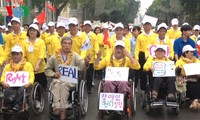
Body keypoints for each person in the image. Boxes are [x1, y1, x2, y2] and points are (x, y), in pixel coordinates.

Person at [45, 37, 90, 120]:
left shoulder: (75, 55)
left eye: (69, 44)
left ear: (71, 45)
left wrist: (86, 61)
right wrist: (54, 74)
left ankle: (63, 109)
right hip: (58, 78)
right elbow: (47, 69)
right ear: (61, 44)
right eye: (65, 43)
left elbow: (82, 65)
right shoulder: (55, 56)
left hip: (70, 80)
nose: (67, 45)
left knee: (64, 85)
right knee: (56, 84)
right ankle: (56, 107)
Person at [0, 45, 34, 111]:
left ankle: (17, 105)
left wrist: (29, 83)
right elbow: (3, 76)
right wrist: (3, 82)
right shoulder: (8, 66)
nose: (15, 56)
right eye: (14, 54)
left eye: (17, 54)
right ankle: (8, 105)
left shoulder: (27, 65)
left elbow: (31, 76)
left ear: (21, 55)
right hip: (11, 85)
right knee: (7, 90)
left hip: (23, 85)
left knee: (21, 90)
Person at [22, 24, 47, 89]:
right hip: (28, 68)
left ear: (37, 32)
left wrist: (37, 65)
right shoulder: (24, 42)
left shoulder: (41, 42)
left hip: (39, 69)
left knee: (41, 87)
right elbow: (23, 55)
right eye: (30, 30)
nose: (32, 32)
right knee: (29, 87)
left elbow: (42, 54)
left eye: (34, 30)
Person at [134, 20, 157, 92]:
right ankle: (143, 89)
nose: (147, 27)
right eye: (145, 25)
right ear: (143, 26)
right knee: (142, 72)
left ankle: (152, 87)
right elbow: (137, 48)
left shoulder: (155, 35)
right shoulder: (140, 36)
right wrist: (136, 58)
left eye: (148, 25)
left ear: (151, 26)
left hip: (152, 55)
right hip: (142, 55)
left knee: (152, 71)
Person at [175, 45, 200, 109]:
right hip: (186, 79)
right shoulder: (179, 62)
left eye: (193, 52)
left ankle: (195, 101)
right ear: (185, 53)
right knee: (190, 83)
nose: (192, 53)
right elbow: (177, 71)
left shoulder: (196, 60)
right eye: (191, 52)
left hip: (197, 77)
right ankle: (195, 101)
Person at [82, 20, 99, 93]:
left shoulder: (93, 35)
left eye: (88, 26)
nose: (87, 27)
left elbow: (96, 46)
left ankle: (88, 88)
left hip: (90, 59)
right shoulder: (81, 35)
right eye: (85, 26)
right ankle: (81, 87)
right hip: (82, 58)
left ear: (90, 27)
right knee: (81, 74)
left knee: (89, 74)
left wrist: (96, 56)